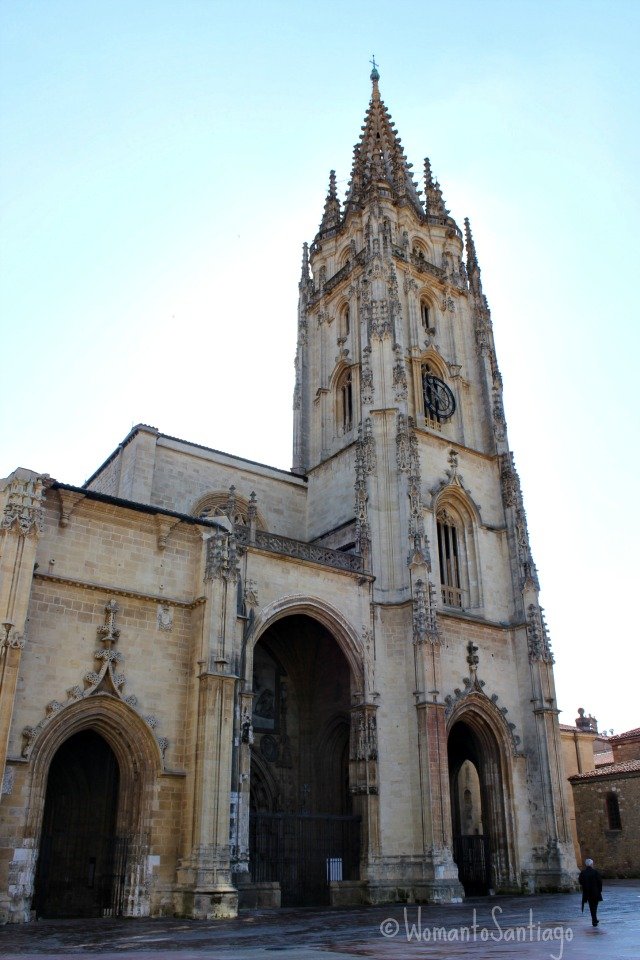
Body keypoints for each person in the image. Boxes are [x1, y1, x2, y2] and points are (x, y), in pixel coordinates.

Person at [578, 858, 603, 926]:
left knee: (591, 906)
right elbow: (600, 882)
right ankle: (594, 920)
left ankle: (594, 919)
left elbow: (580, 881)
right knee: (594, 906)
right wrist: (599, 890)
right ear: (591, 864)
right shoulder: (595, 872)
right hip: (595, 892)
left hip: (587, 892)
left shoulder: (583, 873)